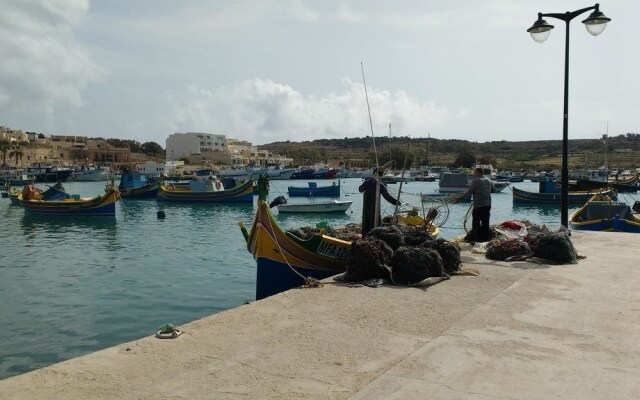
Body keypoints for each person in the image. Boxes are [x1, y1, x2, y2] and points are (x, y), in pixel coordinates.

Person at [454, 167, 494, 243]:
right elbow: (493, 190)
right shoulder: (489, 180)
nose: (473, 174)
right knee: (485, 222)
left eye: (474, 173)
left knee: (476, 223)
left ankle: (477, 240)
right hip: (488, 205)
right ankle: (485, 239)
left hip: (479, 205)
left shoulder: (476, 181)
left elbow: (469, 192)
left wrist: (459, 198)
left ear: (479, 173)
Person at [358, 168, 401, 236]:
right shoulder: (367, 183)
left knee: (376, 222)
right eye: (375, 174)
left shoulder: (380, 185)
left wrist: (396, 202)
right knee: (366, 222)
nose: (377, 176)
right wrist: (361, 187)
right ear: (374, 174)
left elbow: (387, 196)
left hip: (375, 207)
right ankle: (365, 236)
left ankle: (375, 236)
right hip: (367, 207)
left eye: (379, 175)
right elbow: (360, 190)